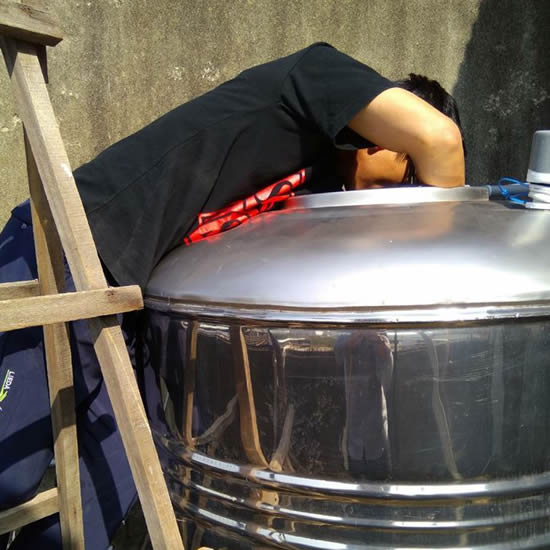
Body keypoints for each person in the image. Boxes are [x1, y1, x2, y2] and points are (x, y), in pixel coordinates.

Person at [0, 42, 465, 549]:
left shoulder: (321, 191)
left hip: (124, 304)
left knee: (115, 481)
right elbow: (442, 140)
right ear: (390, 139)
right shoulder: (310, 82)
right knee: (10, 477)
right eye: (409, 181)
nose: (398, 204)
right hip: (63, 249)